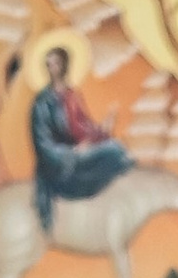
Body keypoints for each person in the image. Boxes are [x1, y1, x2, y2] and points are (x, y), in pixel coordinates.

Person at [27, 42, 132, 234]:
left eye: (56, 63)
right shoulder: (42, 102)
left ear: (65, 65)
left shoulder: (72, 95)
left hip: (80, 154)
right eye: (48, 64)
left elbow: (84, 127)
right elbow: (42, 144)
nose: (52, 69)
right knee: (114, 152)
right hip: (58, 164)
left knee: (117, 149)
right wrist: (71, 152)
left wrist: (103, 128)